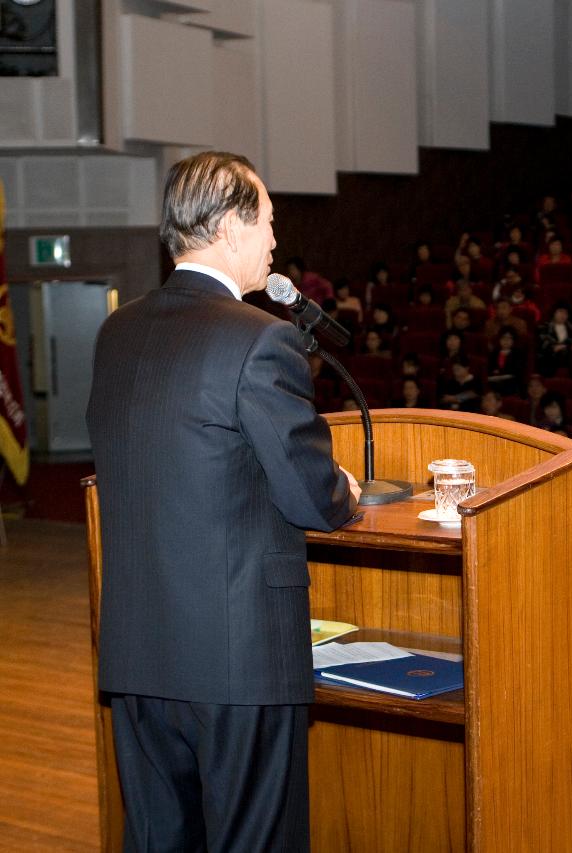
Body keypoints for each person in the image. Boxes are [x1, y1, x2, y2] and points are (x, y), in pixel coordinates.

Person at [86, 152, 361, 850]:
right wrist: (346, 491)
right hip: (239, 662)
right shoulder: (259, 338)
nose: (274, 242)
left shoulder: (118, 330)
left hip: (138, 655)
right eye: (268, 223)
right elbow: (310, 496)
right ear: (233, 227)